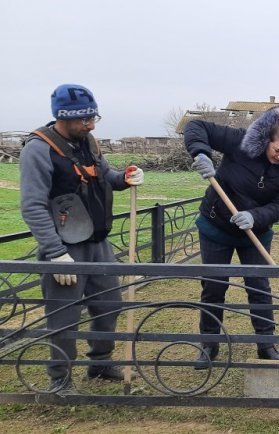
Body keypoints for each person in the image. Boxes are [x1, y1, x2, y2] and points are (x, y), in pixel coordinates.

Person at [20, 84, 144, 394]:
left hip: (97, 244)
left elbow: (104, 175)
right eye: (84, 120)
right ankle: (60, 380)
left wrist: (124, 178)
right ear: (62, 118)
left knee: (110, 305)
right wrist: (55, 254)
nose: (90, 125)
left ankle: (100, 364)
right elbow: (32, 206)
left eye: (93, 117)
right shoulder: (38, 149)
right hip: (64, 248)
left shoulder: (89, 142)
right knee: (64, 317)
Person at [184, 104, 279, 365]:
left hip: (255, 233)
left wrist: (255, 217)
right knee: (213, 287)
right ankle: (209, 346)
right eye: (277, 150)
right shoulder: (241, 142)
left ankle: (266, 345)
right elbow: (195, 126)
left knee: (259, 287)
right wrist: (201, 153)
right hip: (215, 226)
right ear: (267, 140)